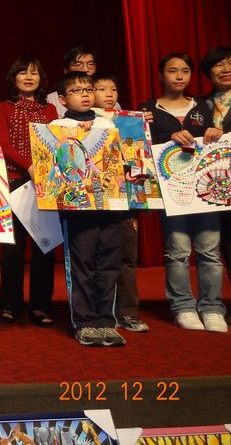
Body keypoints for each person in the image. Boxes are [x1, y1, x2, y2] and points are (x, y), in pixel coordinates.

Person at [53, 71, 142, 347]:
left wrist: (129, 173)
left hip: (111, 205)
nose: (84, 95)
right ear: (62, 99)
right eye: (76, 90)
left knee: (109, 263)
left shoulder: (108, 124)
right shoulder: (57, 126)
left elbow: (124, 159)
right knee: (82, 264)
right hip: (78, 210)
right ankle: (84, 321)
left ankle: (105, 321)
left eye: (88, 90)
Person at [140, 51, 226, 332]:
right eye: (172, 70)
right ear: (160, 75)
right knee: (178, 250)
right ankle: (183, 307)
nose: (179, 76)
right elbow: (138, 147)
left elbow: (216, 139)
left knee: (209, 250)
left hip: (206, 190)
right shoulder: (147, 110)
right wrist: (165, 136)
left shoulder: (203, 105)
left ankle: (212, 308)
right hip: (172, 192)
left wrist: (214, 133)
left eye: (185, 71)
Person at [0, 56, 57, 327]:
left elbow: (55, 143)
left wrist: (41, 170)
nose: (29, 77)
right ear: (13, 77)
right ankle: (9, 304)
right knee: (13, 248)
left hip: (44, 183)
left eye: (34, 73)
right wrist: (30, 166)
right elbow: (2, 144)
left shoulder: (50, 110)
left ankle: (41, 305)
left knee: (45, 246)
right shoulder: (1, 107)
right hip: (14, 181)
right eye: (23, 72)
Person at [91, 72, 148, 334]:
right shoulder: (83, 122)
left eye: (113, 89)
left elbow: (139, 159)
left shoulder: (131, 121)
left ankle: (127, 312)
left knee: (127, 257)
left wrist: (142, 126)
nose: (109, 94)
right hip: (96, 200)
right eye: (101, 89)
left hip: (126, 200)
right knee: (97, 258)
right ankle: (99, 313)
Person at [199, 46, 231, 327]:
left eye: (230, 63)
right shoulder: (201, 106)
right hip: (215, 187)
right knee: (226, 246)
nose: (226, 69)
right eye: (219, 65)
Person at [46, 47, 121, 118]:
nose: (85, 69)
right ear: (66, 70)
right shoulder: (52, 100)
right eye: (78, 64)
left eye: (90, 64)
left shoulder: (110, 102)